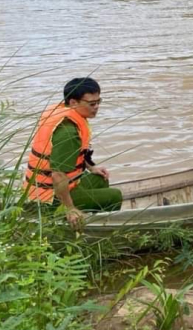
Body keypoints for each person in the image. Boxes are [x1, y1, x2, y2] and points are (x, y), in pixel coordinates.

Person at [24, 77, 122, 230]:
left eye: (98, 102)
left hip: (53, 188)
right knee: (115, 195)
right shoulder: (68, 133)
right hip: (49, 197)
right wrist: (70, 208)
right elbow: (58, 176)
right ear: (73, 102)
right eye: (91, 104)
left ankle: (87, 218)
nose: (96, 107)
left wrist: (92, 168)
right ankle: (100, 230)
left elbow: (78, 154)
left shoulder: (65, 114)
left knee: (100, 178)